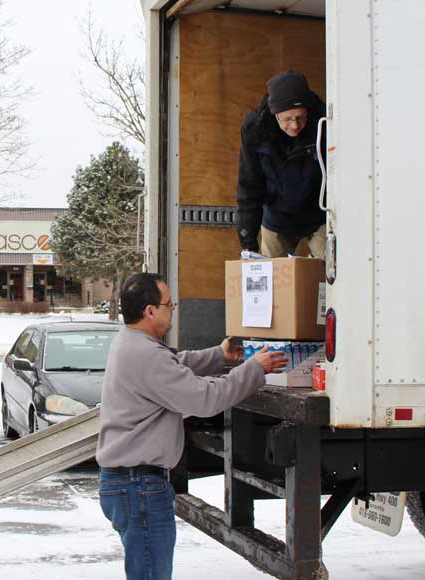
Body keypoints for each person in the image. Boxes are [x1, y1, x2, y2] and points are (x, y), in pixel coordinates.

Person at [96, 272, 286, 580]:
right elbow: (206, 399)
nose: (173, 309)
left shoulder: (132, 343)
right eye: (170, 304)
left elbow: (176, 363)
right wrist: (254, 369)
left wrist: (218, 355)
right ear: (150, 311)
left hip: (130, 484)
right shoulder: (146, 354)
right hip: (139, 486)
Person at [237, 70, 327, 258]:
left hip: (318, 215)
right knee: (271, 279)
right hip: (277, 216)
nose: (294, 125)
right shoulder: (256, 130)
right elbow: (249, 185)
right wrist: (248, 243)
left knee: (328, 275)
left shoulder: (324, 122)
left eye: (300, 117)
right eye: (287, 119)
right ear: (275, 113)